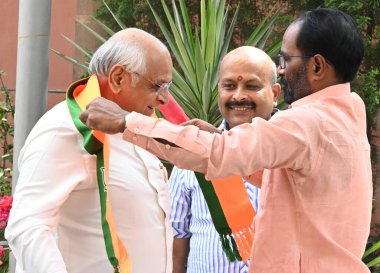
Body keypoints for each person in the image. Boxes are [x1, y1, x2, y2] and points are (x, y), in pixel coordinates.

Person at [80, 8, 373, 273]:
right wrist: (220, 137)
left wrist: (125, 122)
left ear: (317, 67)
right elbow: (290, 181)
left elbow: (219, 154)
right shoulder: (348, 115)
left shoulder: (308, 121)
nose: (281, 70)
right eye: (229, 85)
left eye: (285, 60)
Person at [5, 28, 174, 273]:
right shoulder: (63, 128)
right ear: (118, 78)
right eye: (158, 85)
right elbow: (28, 227)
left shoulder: (137, 127)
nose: (165, 99)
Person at [170, 46, 280, 273]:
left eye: (252, 86)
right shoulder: (194, 151)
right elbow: (177, 235)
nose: (238, 95)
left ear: (275, 94)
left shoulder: (293, 153)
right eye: (229, 86)